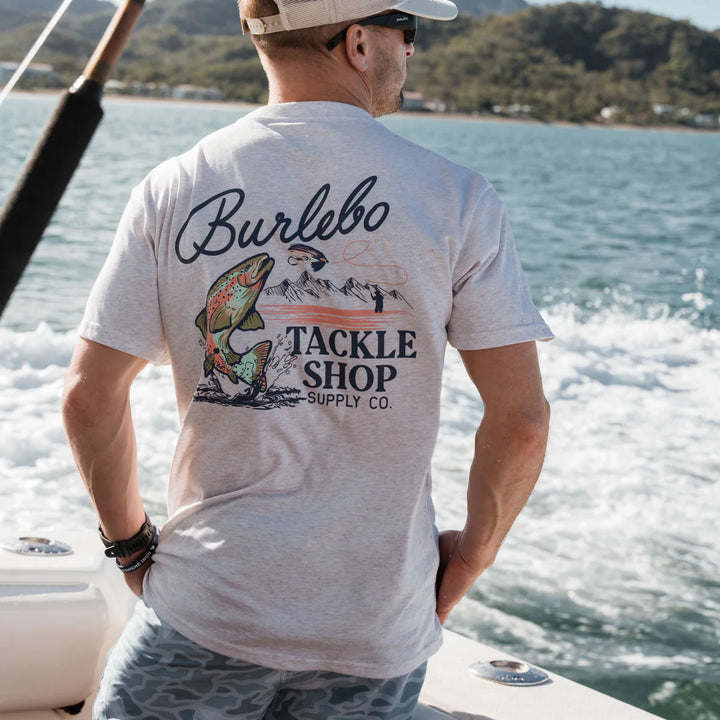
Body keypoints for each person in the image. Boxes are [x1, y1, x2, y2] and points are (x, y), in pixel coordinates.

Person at [62, 0, 553, 717]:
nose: (409, 51)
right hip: (378, 626)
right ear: (356, 41)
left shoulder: (175, 186)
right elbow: (523, 422)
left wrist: (131, 549)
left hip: (209, 607)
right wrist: (471, 557)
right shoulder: (458, 199)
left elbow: (89, 396)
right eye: (406, 31)